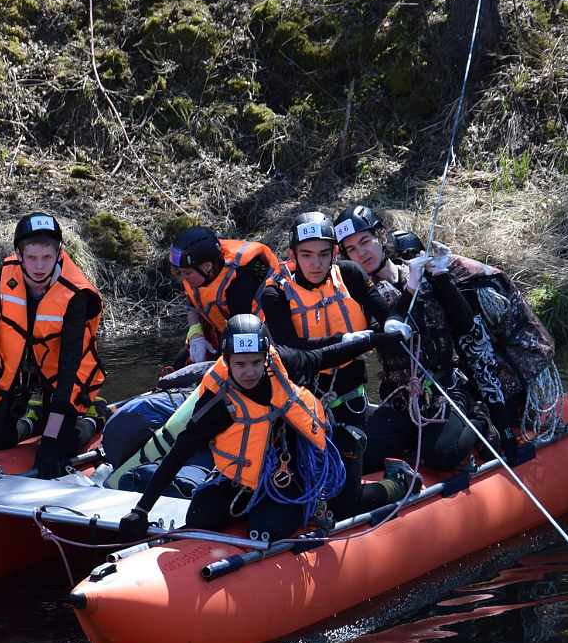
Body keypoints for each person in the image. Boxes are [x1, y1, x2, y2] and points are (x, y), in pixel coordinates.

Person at [119, 315, 417, 544]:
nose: (249, 372)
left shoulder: (283, 362)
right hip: (240, 476)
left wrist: (377, 339)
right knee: (200, 517)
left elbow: (326, 355)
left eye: (255, 363)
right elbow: (179, 451)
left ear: (266, 358)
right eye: (240, 364)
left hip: (291, 470)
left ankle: (397, 482)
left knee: (266, 529)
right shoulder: (216, 402)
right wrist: (142, 510)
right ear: (226, 361)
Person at [336, 206, 556, 470]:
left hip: (445, 389)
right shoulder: (358, 296)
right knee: (366, 457)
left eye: (365, 242)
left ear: (382, 238)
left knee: (441, 454)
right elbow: (389, 327)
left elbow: (465, 325)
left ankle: (478, 420)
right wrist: (410, 289)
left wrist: (441, 276)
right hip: (400, 396)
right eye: (351, 249)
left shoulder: (420, 272)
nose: (361, 253)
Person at [258, 211, 410, 479]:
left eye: (323, 254)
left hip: (350, 395)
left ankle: (395, 481)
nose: (315, 263)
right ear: (292, 255)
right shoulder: (275, 294)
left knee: (350, 464)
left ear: (335, 252)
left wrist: (394, 323)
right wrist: (345, 341)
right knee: (304, 470)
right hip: (303, 396)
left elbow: (386, 311)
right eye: (306, 255)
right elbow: (291, 347)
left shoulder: (350, 274)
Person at [0, 213, 106, 479]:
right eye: (32, 258)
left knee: (61, 450)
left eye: (47, 257)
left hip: (58, 375)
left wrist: (51, 441)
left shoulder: (75, 294)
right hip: (14, 371)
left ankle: (94, 416)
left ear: (58, 254)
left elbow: (68, 368)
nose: (39, 266)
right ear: (19, 254)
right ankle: (32, 421)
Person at [167, 226, 280, 368]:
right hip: (225, 327)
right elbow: (193, 306)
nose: (183, 278)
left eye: (187, 273)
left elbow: (241, 335)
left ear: (207, 266)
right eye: (180, 272)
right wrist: (195, 334)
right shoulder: (196, 272)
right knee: (180, 364)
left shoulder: (240, 281)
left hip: (256, 331)